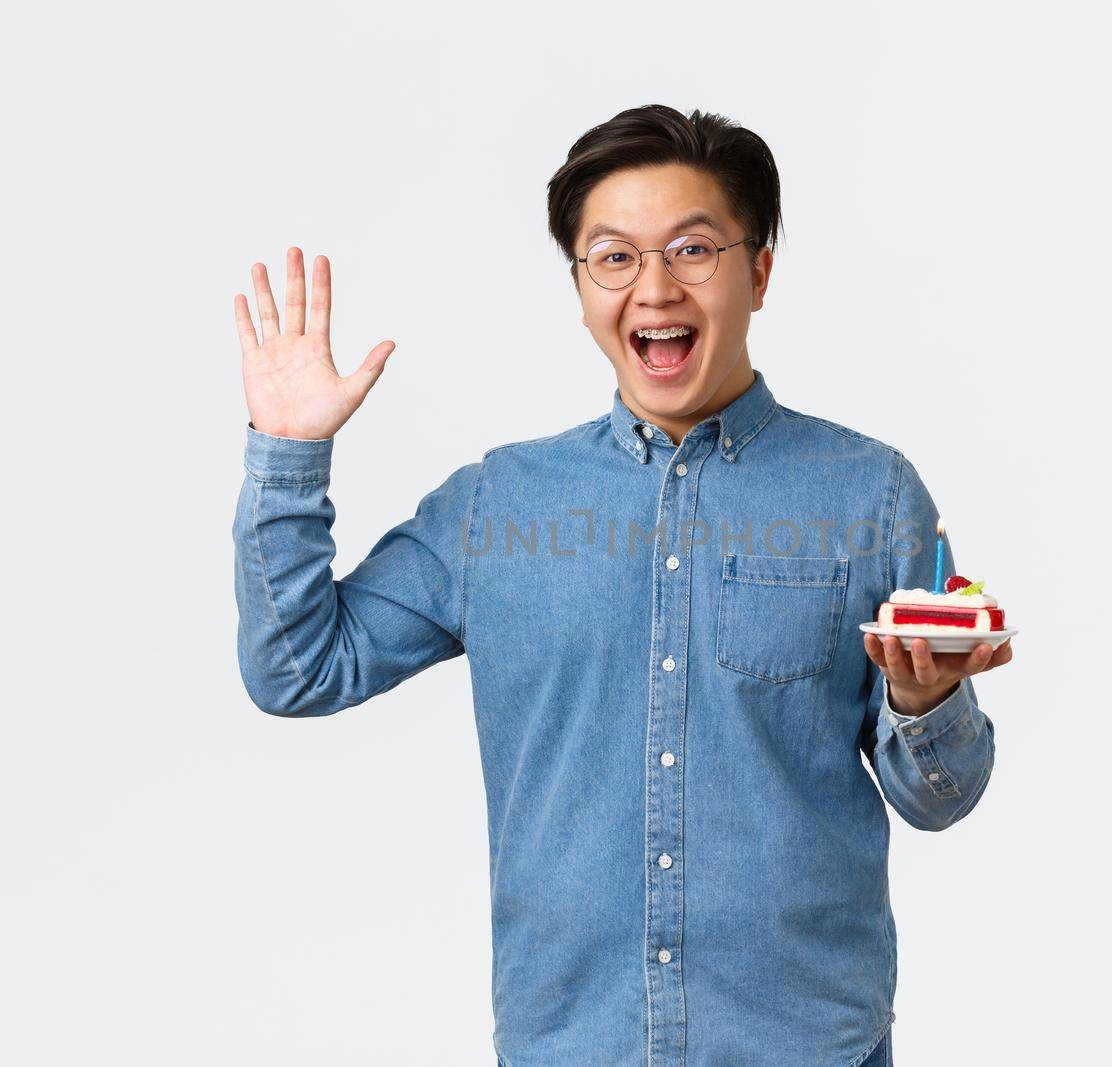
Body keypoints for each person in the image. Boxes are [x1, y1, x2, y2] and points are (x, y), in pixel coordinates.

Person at [231, 103, 1013, 1067]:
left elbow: (942, 796)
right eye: (613, 256)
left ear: (758, 269)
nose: (654, 287)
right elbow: (299, 670)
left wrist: (924, 697)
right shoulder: (500, 503)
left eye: (692, 249)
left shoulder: (869, 495)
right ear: (580, 281)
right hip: (572, 1045)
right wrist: (290, 454)